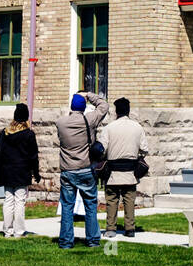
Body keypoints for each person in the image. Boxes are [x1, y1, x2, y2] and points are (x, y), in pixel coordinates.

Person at [54, 91, 108, 249]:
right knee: (90, 205)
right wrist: (89, 95)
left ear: (71, 107)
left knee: (67, 206)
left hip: (67, 170)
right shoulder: (89, 120)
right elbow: (104, 106)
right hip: (85, 168)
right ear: (84, 107)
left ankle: (65, 241)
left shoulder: (60, 123)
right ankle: (92, 240)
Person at [99, 97, 148, 238]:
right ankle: (130, 229)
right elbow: (145, 149)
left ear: (116, 111)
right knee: (129, 201)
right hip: (130, 172)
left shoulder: (109, 128)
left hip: (112, 172)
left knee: (112, 201)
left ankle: (110, 228)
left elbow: (102, 149)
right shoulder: (138, 127)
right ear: (129, 111)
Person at [0, 102, 40, 238]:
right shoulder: (28, 134)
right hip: (22, 171)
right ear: (26, 117)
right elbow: (33, 156)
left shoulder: (4, 133)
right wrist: (36, 172)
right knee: (20, 201)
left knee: (8, 200)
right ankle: (19, 231)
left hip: (7, 170)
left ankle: (7, 230)